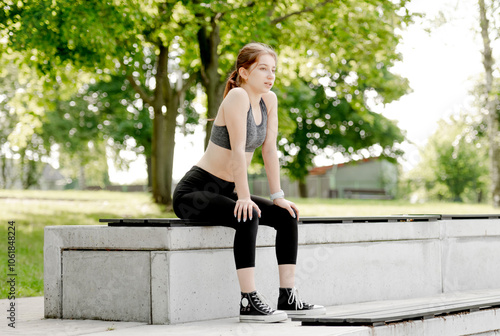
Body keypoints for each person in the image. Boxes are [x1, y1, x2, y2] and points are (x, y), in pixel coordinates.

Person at [173, 42, 325, 323]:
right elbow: (238, 152)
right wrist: (243, 197)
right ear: (244, 72)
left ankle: (287, 295)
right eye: (262, 69)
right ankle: (249, 301)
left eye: (273, 70)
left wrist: (278, 195)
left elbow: (269, 150)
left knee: (286, 216)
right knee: (248, 215)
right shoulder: (238, 98)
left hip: (228, 189)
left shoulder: (269, 101)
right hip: (196, 192)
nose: (270, 75)